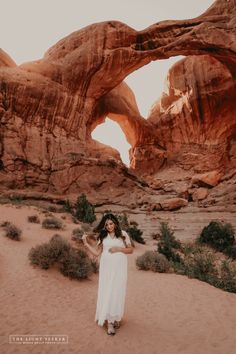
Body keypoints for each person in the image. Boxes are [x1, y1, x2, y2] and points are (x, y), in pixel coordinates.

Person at [82, 213, 133, 335]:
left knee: (117, 291)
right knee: (108, 291)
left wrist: (118, 249)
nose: (109, 226)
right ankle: (110, 322)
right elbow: (96, 253)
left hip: (120, 268)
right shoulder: (103, 237)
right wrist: (86, 244)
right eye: (106, 224)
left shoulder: (123, 234)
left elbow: (130, 250)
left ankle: (115, 317)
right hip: (107, 269)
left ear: (115, 223)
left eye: (111, 223)